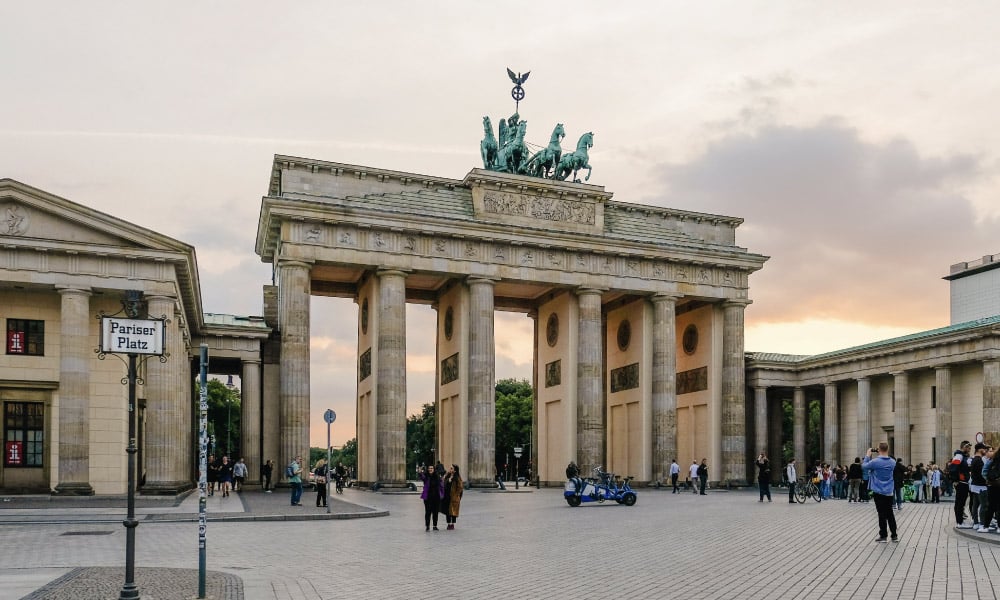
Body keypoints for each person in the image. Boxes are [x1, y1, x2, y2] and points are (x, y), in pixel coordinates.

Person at [862, 442, 899, 543]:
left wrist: (867, 455)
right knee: (890, 513)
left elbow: (864, 466)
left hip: (878, 491)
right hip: (889, 491)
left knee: (881, 513)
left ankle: (883, 536)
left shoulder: (875, 462)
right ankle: (894, 535)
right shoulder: (892, 462)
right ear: (887, 449)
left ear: (878, 449)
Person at [952, 441, 973, 528]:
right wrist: (956, 480)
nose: (969, 450)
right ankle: (960, 522)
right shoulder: (959, 456)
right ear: (964, 447)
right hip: (961, 483)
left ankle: (960, 522)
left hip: (962, 482)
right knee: (960, 503)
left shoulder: (962, 456)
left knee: (960, 503)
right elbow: (953, 468)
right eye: (968, 448)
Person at [418, 464, 444, 531]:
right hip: (428, 497)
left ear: (434, 469)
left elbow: (441, 486)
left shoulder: (437, 477)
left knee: (435, 512)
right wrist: (420, 472)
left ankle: (435, 526)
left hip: (436, 497)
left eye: (432, 468)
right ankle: (427, 526)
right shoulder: (426, 477)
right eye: (429, 468)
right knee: (428, 512)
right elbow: (422, 477)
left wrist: (442, 494)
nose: (430, 469)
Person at [970, 443, 988, 529]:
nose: (985, 451)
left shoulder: (974, 459)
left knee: (975, 505)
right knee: (983, 505)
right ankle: (982, 524)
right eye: (984, 449)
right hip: (981, 486)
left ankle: (976, 523)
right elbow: (982, 474)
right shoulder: (979, 460)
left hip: (975, 486)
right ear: (980, 449)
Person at [443, 464, 464, 530]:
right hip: (447, 496)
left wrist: (456, 495)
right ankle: (448, 523)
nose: (450, 469)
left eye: (451, 468)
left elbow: (460, 488)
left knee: (453, 511)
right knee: (447, 511)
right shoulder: (447, 476)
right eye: (450, 468)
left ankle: (452, 524)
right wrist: (448, 480)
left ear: (455, 470)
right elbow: (443, 483)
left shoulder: (457, 478)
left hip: (454, 497)